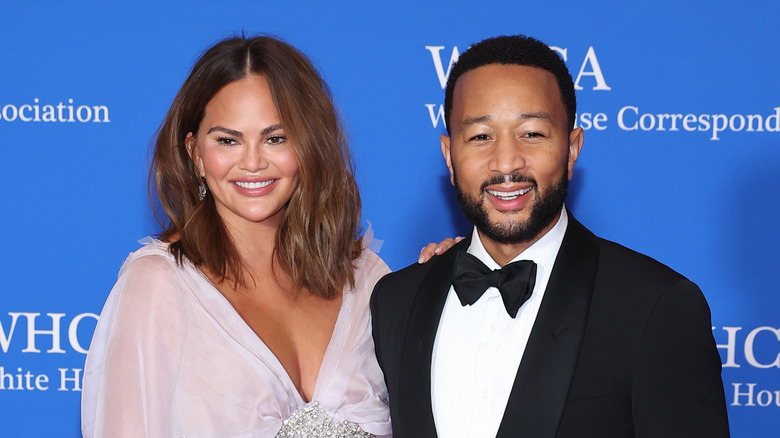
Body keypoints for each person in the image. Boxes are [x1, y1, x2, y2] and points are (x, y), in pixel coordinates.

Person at [81, 35, 454, 437]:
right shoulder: (158, 285)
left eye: (276, 138)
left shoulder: (366, 280)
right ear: (194, 154)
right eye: (228, 140)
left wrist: (446, 294)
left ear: (309, 146)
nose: (253, 162)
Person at [370, 35, 730, 438]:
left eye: (532, 134)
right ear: (449, 155)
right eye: (480, 136)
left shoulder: (654, 306)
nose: (506, 162)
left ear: (572, 149)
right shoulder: (395, 300)